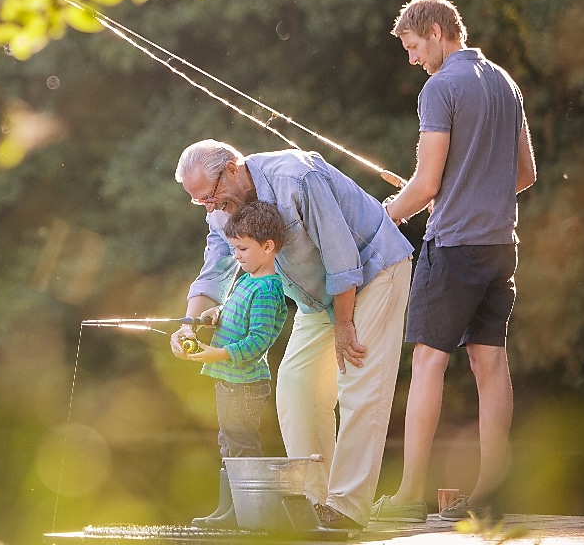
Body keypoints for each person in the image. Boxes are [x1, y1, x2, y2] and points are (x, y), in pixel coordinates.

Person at [171, 141, 414, 530]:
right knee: (296, 384)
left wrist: (344, 324)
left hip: (372, 269)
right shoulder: (220, 210)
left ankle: (347, 506)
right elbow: (216, 265)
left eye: (211, 195)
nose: (210, 207)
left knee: (358, 382)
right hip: (315, 294)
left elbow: (341, 255)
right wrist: (188, 323)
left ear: (233, 168)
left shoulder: (296, 177)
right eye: (200, 202)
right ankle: (314, 501)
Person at [371, 0, 537, 523]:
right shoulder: (506, 83)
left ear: (439, 31)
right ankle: (491, 492)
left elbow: (424, 185)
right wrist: (469, 190)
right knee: (491, 362)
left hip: (454, 247)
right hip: (500, 246)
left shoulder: (440, 88)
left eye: (415, 47)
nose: (413, 59)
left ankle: (409, 495)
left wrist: (385, 216)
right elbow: (525, 174)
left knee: (427, 362)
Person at [183, 201, 290, 529]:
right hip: (229, 382)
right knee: (229, 443)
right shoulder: (247, 279)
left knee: (243, 445)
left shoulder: (269, 290)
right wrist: (215, 314)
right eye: (234, 248)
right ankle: (228, 511)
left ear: (268, 247)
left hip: (245, 384)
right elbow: (233, 311)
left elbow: (257, 342)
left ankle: (251, 514)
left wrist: (216, 354)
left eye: (242, 248)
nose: (238, 256)